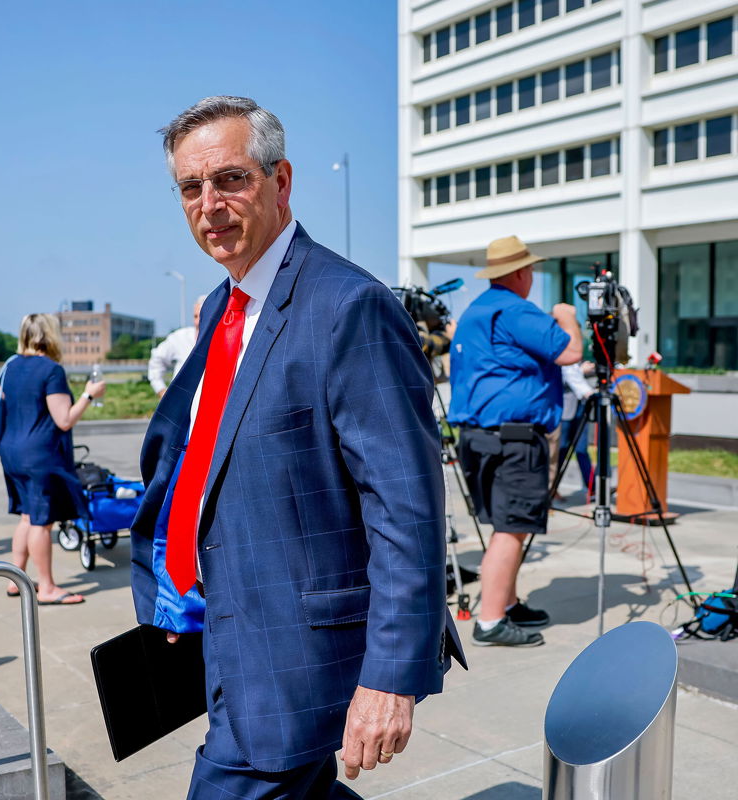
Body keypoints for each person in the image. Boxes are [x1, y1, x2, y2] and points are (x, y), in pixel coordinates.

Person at [130, 96, 464, 798]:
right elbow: (199, 459)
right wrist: (171, 584)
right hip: (221, 628)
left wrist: (390, 677)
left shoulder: (347, 306)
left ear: (281, 183)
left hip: (301, 655)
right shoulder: (226, 306)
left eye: (231, 179)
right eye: (191, 188)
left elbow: (405, 505)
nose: (209, 204)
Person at [449, 235, 583, 647]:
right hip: (513, 440)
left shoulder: (476, 311)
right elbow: (570, 352)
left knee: (505, 527)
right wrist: (566, 316)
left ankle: (504, 602)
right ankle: (491, 621)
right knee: (511, 530)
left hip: (478, 437)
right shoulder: (516, 309)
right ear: (521, 272)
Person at [0, 314, 106, 606]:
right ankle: (46, 587)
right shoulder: (51, 370)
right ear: (51, 336)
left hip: (10, 451)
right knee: (41, 523)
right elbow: (64, 419)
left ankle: (15, 579)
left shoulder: (10, 366)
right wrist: (88, 394)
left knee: (26, 516)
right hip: (39, 455)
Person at [147, 296, 206, 396]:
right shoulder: (179, 338)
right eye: (195, 316)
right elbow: (156, 361)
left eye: (203, 316)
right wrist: (161, 390)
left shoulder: (226, 340)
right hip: (181, 405)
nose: (197, 322)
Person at [560, 361, 594, 492]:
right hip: (565, 409)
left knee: (581, 449)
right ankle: (551, 489)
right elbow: (564, 375)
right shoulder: (562, 346)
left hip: (581, 406)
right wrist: (581, 371)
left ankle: (593, 487)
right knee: (561, 449)